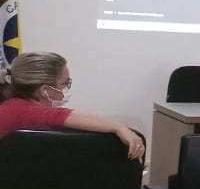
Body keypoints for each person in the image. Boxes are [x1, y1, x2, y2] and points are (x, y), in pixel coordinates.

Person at [0, 51, 144, 159]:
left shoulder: (14, 106)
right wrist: (118, 127)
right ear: (45, 90)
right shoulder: (26, 112)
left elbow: (83, 115)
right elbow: (73, 117)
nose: (67, 88)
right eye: (65, 83)